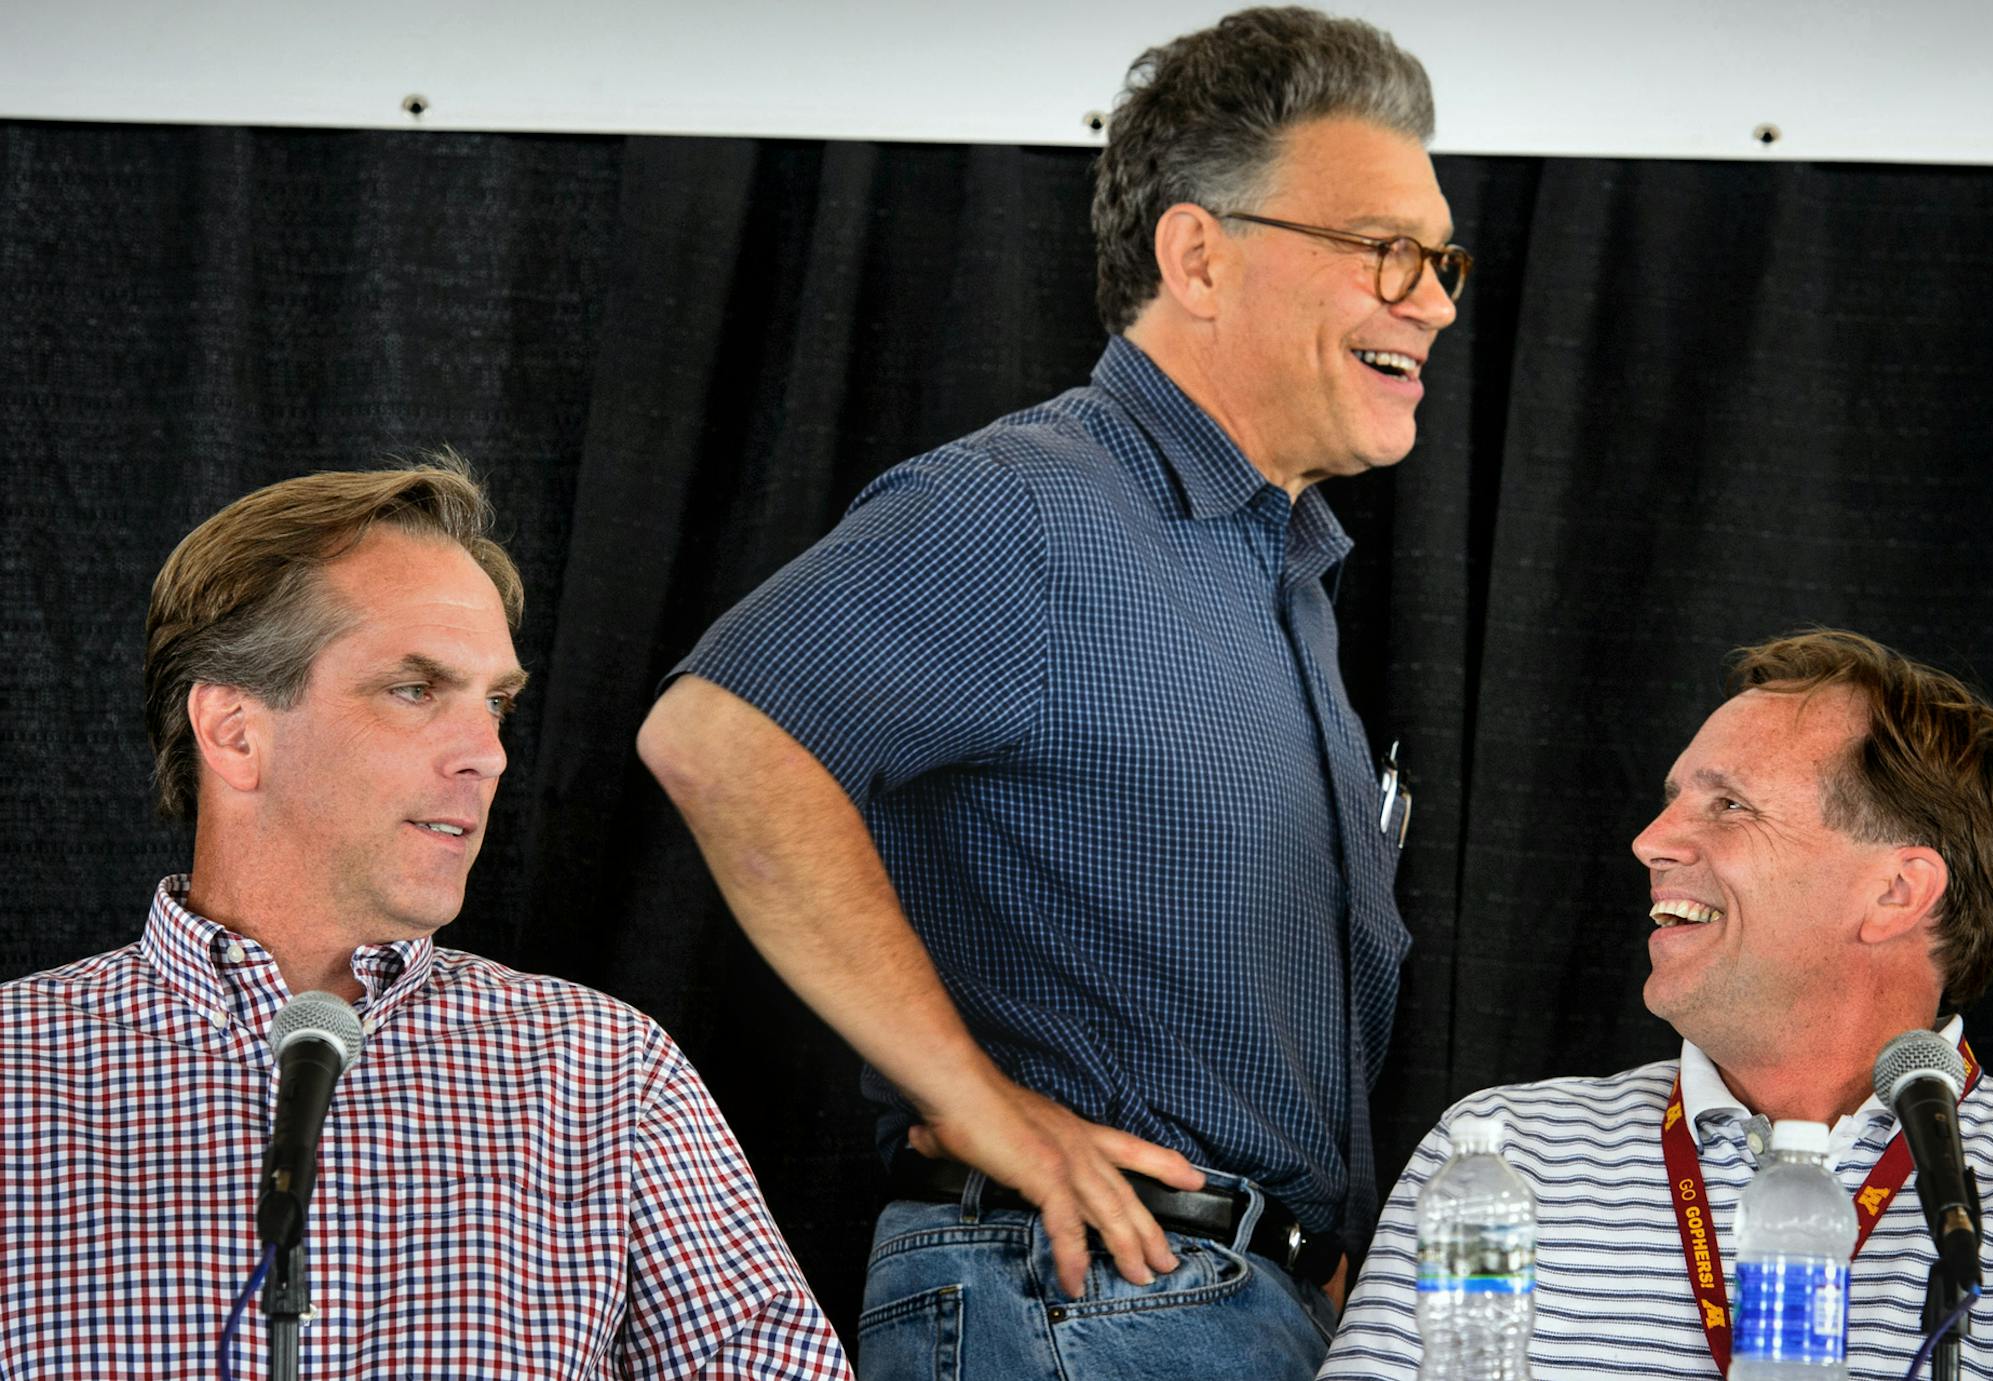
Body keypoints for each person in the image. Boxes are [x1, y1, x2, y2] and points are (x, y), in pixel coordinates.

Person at [636, 8, 1466, 1377]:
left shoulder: (1280, 571)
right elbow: (718, 738)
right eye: (1385, 251)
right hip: (1086, 1296)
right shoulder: (1028, 506)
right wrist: (982, 1106)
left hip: (1222, 1313)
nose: (1431, 298)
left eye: (1439, 260)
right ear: (1199, 254)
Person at [0, 458, 852, 1379]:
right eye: (416, 690)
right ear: (235, 730)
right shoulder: (17, 1071)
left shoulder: (605, 1076)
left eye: (495, 704)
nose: (487, 753)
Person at [1321, 629, 1993, 1379]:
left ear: (1896, 892)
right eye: (1676, 796)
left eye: (1728, 805)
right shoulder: (1501, 1156)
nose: (1650, 840)